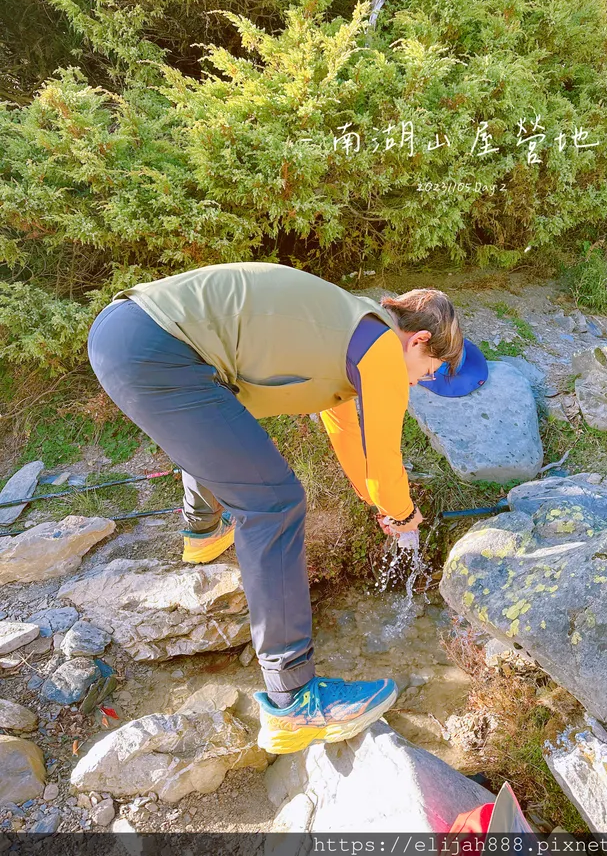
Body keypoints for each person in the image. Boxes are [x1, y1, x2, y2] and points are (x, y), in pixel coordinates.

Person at [87, 262, 488, 754]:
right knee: (274, 504)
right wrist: (404, 516)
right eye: (426, 373)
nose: (418, 382)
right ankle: (294, 699)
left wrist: (379, 504)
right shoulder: (381, 347)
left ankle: (203, 534)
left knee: (224, 420)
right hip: (155, 347)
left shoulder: (350, 333)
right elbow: (387, 453)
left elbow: (349, 439)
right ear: (419, 340)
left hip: (129, 330)